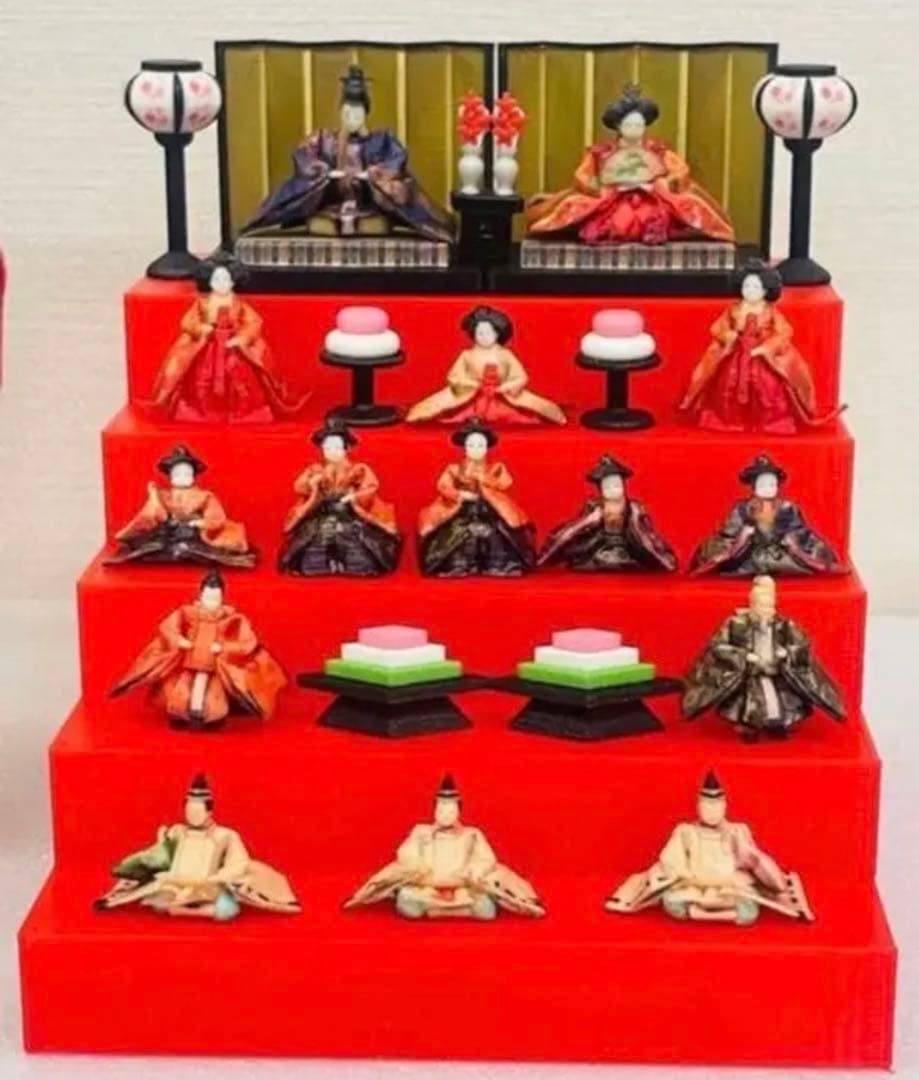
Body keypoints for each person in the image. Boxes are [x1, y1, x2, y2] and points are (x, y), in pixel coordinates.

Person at [241, 65, 452, 243]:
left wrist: (373, 175)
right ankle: (253, 225)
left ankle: (447, 229)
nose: (352, 118)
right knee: (316, 219)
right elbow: (304, 158)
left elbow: (396, 162)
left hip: (369, 211)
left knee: (383, 216)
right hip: (331, 210)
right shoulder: (323, 139)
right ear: (341, 112)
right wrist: (325, 173)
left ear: (366, 114)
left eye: (358, 113)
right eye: (347, 113)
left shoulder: (383, 140)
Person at [525, 83, 733, 245]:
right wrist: (605, 186)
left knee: (688, 203)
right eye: (630, 124)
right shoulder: (601, 152)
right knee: (576, 205)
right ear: (618, 126)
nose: (636, 129)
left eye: (640, 125)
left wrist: (656, 184)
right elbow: (583, 177)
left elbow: (679, 173)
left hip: (651, 197)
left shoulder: (657, 151)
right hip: (611, 199)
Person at [605, 771, 813, 925]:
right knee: (672, 903)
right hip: (694, 885)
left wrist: (746, 853)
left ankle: (721, 914)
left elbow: (754, 861)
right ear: (698, 807)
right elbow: (670, 859)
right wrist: (685, 874)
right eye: (706, 806)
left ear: (724, 807)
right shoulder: (686, 831)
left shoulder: (737, 830)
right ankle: (696, 912)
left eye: (716, 807)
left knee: (748, 911)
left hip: (729, 886)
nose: (711, 812)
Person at [94, 774, 300, 921]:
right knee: (159, 900)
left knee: (227, 908)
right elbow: (161, 856)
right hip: (177, 882)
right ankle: (180, 909)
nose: (192, 816)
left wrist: (218, 877)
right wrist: (154, 855)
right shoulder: (178, 832)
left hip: (209, 884)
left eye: (197, 811)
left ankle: (193, 911)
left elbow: (238, 862)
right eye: (189, 811)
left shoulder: (225, 835)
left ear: (209, 811)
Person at [344, 775, 545, 920]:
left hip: (463, 883)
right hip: (427, 881)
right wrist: (416, 864)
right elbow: (405, 852)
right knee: (407, 905)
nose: (445, 815)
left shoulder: (471, 834)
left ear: (459, 811)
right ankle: (436, 905)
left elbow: (486, 859)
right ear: (434, 810)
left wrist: (475, 870)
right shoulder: (421, 831)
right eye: (441, 810)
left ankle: (448, 908)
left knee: (487, 905)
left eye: (450, 811)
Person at [110, 572, 287, 729]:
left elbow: (247, 642)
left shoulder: (232, 619)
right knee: (180, 690)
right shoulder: (187, 613)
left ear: (222, 598)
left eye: (215, 599)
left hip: (213, 665)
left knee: (213, 696)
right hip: (189, 660)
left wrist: (223, 647)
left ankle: (210, 717)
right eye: (208, 598)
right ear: (201, 595)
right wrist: (179, 640)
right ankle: (180, 716)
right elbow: (168, 627)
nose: (211, 603)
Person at [680, 260, 840, 433]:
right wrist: (729, 336)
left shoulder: (770, 312)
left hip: (762, 355)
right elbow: (718, 327)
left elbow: (784, 332)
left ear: (765, 290)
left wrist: (767, 347)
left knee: (767, 387)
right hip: (737, 353)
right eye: (746, 286)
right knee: (727, 385)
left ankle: (767, 422)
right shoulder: (734, 310)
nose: (750, 290)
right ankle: (729, 420)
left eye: (755, 287)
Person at [682, 575, 845, 740]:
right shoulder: (735, 624)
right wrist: (744, 656)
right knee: (748, 705)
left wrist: (787, 653)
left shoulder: (784, 625)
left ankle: (779, 727)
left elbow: (803, 645)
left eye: (770, 607)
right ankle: (749, 729)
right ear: (752, 605)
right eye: (762, 606)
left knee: (780, 704)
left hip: (777, 674)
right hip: (750, 675)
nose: (767, 611)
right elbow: (717, 646)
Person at [152, 256, 308, 423]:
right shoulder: (202, 303)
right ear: (209, 281)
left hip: (233, 346)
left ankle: (243, 412)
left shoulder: (239, 304)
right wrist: (201, 328)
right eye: (216, 279)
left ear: (233, 281)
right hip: (207, 346)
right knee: (201, 379)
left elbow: (254, 322)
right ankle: (201, 412)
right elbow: (187, 321)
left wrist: (241, 338)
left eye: (225, 279)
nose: (221, 283)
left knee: (240, 376)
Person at [278, 419, 401, 576]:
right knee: (318, 533)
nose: (332, 451)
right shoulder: (315, 470)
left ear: (346, 448)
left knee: (352, 533)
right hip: (322, 512)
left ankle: (355, 564)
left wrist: (353, 497)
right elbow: (300, 486)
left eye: (336, 447)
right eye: (327, 447)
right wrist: (313, 485)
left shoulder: (358, 470)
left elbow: (370, 487)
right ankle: (320, 564)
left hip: (350, 513)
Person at [406, 306, 566, 426]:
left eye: (488, 333)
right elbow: (453, 377)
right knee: (441, 409)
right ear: (473, 334)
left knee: (523, 411)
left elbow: (521, 377)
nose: (484, 337)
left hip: (502, 398)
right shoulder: (467, 355)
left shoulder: (505, 354)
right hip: (472, 398)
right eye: (480, 333)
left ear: (497, 334)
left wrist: (506, 386)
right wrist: (471, 384)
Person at [690, 454, 844, 576]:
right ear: (753, 487)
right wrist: (743, 536)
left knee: (800, 559)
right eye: (762, 484)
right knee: (734, 562)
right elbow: (728, 534)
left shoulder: (787, 507)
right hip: (749, 555)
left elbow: (801, 531)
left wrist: (792, 542)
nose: (768, 488)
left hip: (782, 554)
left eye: (772, 484)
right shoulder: (742, 508)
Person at [418, 418, 536, 577]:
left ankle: (499, 564)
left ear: (487, 448)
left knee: (497, 533)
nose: (476, 449)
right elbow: (444, 486)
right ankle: (460, 564)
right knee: (460, 533)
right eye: (471, 445)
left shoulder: (495, 469)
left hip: (490, 512)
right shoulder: (454, 469)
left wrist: (484, 482)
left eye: (480, 445)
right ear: (465, 448)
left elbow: (504, 483)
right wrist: (460, 495)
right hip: (462, 512)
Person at [106, 444, 255, 568]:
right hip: (169, 532)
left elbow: (215, 517)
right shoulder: (163, 495)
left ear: (194, 476)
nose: (182, 478)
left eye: (187, 474)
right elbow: (153, 513)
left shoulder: (205, 496)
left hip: (194, 533)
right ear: (170, 476)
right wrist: (154, 497)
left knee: (193, 549)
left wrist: (200, 523)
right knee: (154, 546)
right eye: (177, 474)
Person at [538, 454, 676, 572]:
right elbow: (570, 532)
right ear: (600, 489)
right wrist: (590, 520)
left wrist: (663, 560)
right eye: (608, 487)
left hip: (628, 548)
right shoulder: (594, 507)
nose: (613, 490)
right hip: (599, 546)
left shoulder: (634, 508)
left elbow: (646, 537)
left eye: (617, 485)